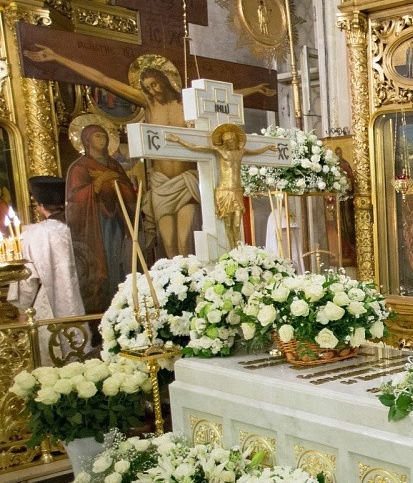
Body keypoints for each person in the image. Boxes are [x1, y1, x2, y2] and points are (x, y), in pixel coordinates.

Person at [22, 47, 274, 256]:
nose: (153, 90)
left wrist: (254, 89)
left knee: (185, 242)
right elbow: (103, 79)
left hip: (187, 180)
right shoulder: (148, 104)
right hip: (161, 182)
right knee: (169, 245)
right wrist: (57, 56)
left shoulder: (188, 104)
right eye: (147, 87)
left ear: (165, 81)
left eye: (155, 85)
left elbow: (223, 99)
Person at [8, 177, 86, 365]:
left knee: (54, 363)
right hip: (89, 301)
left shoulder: (34, 233)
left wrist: (23, 308)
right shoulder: (82, 225)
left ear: (40, 206)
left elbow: (27, 277)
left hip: (50, 307)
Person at [65, 124, 137, 314]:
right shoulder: (79, 167)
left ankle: (122, 297)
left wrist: (116, 182)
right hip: (95, 224)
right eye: (97, 136)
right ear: (87, 140)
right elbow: (75, 198)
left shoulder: (114, 165)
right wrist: (97, 184)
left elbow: (128, 191)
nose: (102, 140)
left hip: (117, 220)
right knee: (102, 260)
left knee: (118, 257)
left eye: (104, 136)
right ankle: (104, 301)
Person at [166, 124, 275, 249]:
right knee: (228, 223)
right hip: (225, 190)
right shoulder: (220, 151)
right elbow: (198, 147)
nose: (232, 143)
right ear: (225, 143)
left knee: (237, 221)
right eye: (229, 141)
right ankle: (233, 248)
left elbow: (256, 152)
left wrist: (267, 148)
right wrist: (179, 140)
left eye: (234, 140)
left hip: (237, 190)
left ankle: (238, 247)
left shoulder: (241, 151)